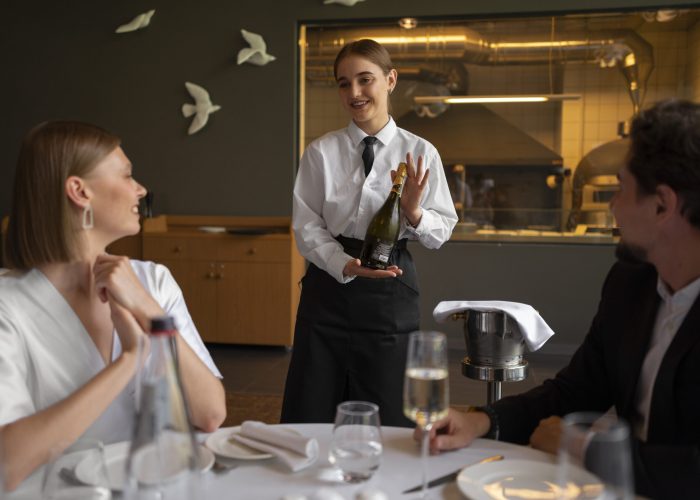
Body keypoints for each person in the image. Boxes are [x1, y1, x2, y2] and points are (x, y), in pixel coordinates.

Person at [421, 99, 700, 498]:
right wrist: (482, 421)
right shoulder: (631, 283)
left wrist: (583, 447)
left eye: (621, 189)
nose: (612, 206)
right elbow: (576, 391)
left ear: (662, 204)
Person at [0, 121, 226, 491]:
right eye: (127, 175)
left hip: (154, 487)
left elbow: (211, 414)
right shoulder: (8, 304)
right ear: (79, 191)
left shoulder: (152, 282)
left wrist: (151, 313)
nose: (140, 189)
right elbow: (8, 462)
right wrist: (129, 360)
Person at [280, 39, 458, 427]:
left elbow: (440, 232)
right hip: (329, 287)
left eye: (365, 79)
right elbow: (307, 226)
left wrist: (413, 212)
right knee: (312, 404)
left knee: (390, 407)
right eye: (344, 83)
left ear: (390, 80)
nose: (355, 93)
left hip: (390, 290)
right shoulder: (320, 152)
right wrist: (344, 264)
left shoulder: (421, 152)